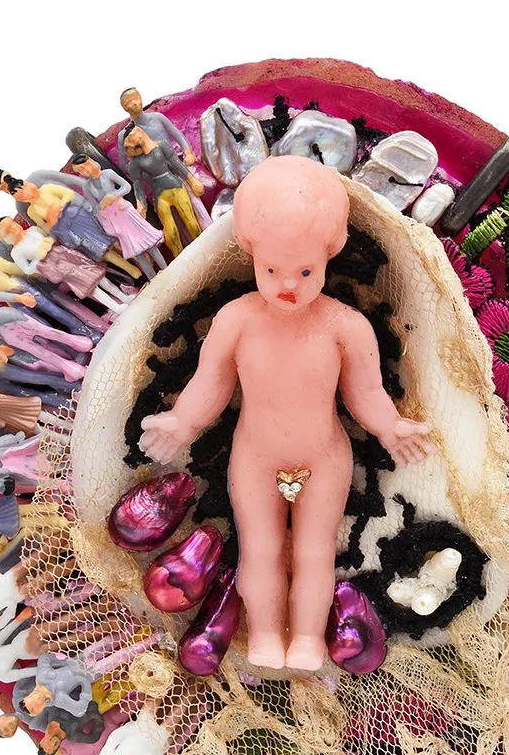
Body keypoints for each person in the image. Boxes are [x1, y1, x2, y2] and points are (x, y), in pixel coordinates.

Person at [137, 156, 431, 671]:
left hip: (324, 458)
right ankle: (267, 634)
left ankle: (309, 639)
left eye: (305, 271)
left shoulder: (345, 326)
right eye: (271, 270)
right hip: (255, 456)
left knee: (316, 551)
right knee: (260, 548)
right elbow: (211, 382)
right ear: (250, 252)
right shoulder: (237, 319)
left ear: (330, 254)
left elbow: (365, 393)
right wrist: (183, 421)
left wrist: (389, 426)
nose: (287, 285)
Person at [124, 126, 205, 257]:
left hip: (176, 187)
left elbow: (176, 164)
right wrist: (141, 205)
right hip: (159, 195)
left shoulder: (161, 146)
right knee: (171, 232)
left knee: (191, 222)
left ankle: (204, 249)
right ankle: (180, 258)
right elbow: (138, 185)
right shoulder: (135, 164)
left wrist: (192, 179)